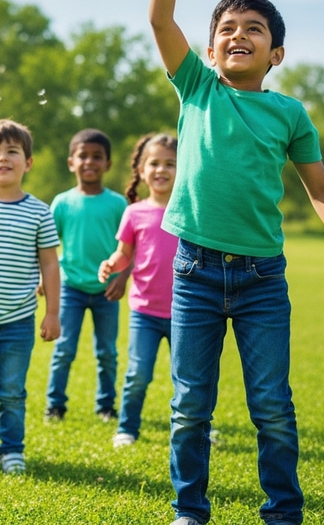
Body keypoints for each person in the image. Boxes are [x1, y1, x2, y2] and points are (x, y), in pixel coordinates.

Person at [150, 0, 324, 525]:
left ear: (276, 52)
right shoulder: (196, 86)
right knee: (191, 404)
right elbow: (161, 18)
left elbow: (321, 190)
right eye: (227, 27)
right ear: (212, 46)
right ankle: (189, 510)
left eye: (254, 28)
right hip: (195, 272)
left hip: (261, 280)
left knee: (272, 403)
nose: (238, 35)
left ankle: (283, 512)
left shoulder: (290, 114)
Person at [0, 118, 61, 474]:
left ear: (28, 162)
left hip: (19, 319)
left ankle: (12, 451)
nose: (3, 158)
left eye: (12, 152)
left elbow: (50, 265)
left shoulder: (39, 211)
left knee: (13, 392)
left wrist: (52, 313)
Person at [97, 132, 179, 448]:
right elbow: (124, 253)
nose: (161, 170)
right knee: (138, 375)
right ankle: (127, 428)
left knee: (189, 379)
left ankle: (195, 428)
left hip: (186, 312)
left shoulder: (191, 209)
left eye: (170, 164)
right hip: (144, 310)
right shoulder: (134, 212)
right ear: (142, 170)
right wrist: (111, 263)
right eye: (154, 163)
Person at [44, 129, 127, 424]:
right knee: (64, 349)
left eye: (97, 157)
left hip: (107, 290)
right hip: (70, 288)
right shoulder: (63, 203)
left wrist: (122, 276)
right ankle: (55, 405)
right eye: (83, 156)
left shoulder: (118, 204)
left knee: (106, 352)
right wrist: (44, 279)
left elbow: (131, 247)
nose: (89, 162)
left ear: (108, 164)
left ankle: (106, 405)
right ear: (71, 162)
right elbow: (48, 249)